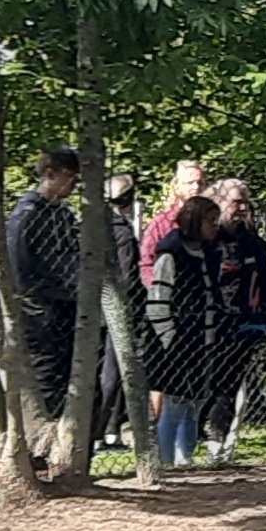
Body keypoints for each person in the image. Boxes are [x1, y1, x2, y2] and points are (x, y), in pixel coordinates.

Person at [145, 195, 224, 467]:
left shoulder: (210, 252)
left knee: (195, 404)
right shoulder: (171, 252)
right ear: (194, 221)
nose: (215, 226)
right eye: (210, 220)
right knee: (175, 405)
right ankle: (166, 463)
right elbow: (157, 300)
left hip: (204, 340)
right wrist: (170, 339)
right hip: (177, 343)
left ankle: (184, 460)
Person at [6, 147, 81, 421]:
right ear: (50, 174)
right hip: (40, 313)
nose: (75, 185)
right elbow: (19, 267)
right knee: (45, 377)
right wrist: (36, 309)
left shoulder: (63, 213)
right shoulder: (28, 214)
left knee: (68, 377)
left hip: (67, 307)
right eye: (71, 177)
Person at [203, 178, 266, 463]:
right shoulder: (207, 239)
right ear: (219, 202)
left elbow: (264, 282)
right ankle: (184, 447)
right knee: (202, 384)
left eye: (246, 203)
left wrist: (265, 316)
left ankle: (217, 444)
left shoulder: (253, 242)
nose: (242, 208)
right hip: (207, 323)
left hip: (243, 323)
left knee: (229, 386)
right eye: (236, 202)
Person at [93, 173, 142, 453]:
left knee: (105, 372)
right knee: (112, 373)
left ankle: (108, 431)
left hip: (92, 309)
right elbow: (126, 277)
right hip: (115, 310)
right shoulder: (121, 232)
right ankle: (100, 433)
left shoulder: (90, 228)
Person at [139, 160, 207, 287]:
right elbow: (147, 263)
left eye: (200, 183)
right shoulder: (161, 223)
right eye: (190, 183)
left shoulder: (211, 221)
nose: (196, 187)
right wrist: (158, 289)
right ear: (177, 186)